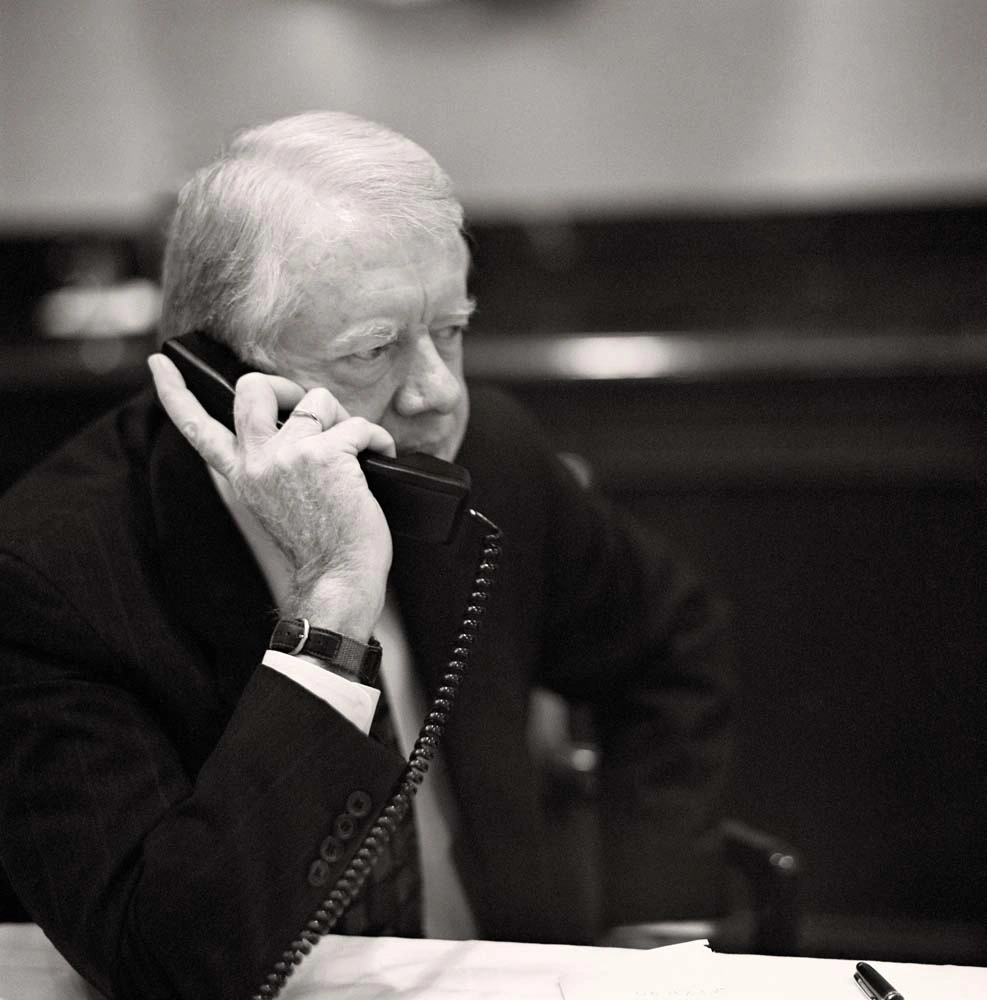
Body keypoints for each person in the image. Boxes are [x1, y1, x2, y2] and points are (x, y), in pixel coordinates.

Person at [0, 112, 732, 1000]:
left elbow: (669, 644)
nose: (439, 395)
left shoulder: (490, 457)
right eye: (374, 350)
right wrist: (333, 606)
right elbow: (166, 970)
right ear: (216, 375)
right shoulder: (49, 572)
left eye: (450, 330)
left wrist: (655, 923)